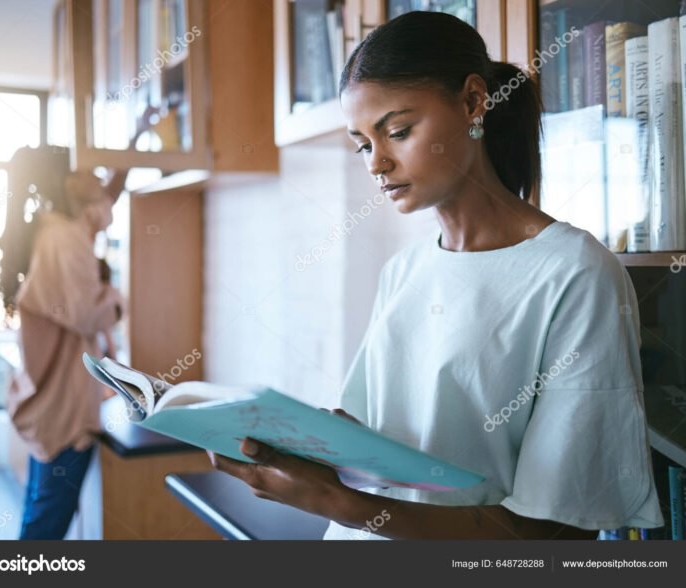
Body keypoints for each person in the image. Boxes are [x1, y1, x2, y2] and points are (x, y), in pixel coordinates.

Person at [207, 12, 665, 539]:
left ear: (473, 103)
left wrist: (337, 501)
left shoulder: (574, 274)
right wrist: (319, 446)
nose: (377, 162)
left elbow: (549, 532)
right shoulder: (404, 270)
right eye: (362, 144)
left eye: (397, 131)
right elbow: (390, 448)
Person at [1, 148, 130, 540]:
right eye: (86, 168)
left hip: (52, 407)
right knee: (47, 523)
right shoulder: (65, 237)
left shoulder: (54, 228)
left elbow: (105, 200)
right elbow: (87, 314)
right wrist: (115, 299)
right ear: (69, 182)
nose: (97, 175)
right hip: (66, 412)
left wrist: (132, 147)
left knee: (42, 511)